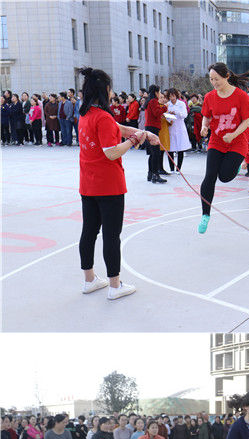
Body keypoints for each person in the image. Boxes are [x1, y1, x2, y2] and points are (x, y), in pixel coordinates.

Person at [77, 67, 156, 300]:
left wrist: (143, 133)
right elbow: (111, 152)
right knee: (112, 235)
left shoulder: (87, 114)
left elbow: (118, 128)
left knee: (89, 231)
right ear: (105, 89)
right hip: (108, 185)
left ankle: (89, 280)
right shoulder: (103, 116)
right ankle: (114, 285)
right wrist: (133, 140)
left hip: (88, 184)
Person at [198, 62, 249, 233]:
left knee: (225, 176)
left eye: (217, 79)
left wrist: (233, 134)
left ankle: (234, 166)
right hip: (216, 140)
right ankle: (205, 214)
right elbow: (206, 117)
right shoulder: (209, 97)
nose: (214, 83)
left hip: (237, 142)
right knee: (210, 176)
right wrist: (204, 127)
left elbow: (246, 121)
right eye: (211, 79)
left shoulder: (240, 96)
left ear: (226, 76)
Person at [144, 85, 168, 183]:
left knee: (152, 153)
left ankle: (150, 174)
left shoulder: (148, 101)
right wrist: (165, 108)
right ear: (156, 92)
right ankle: (155, 174)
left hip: (149, 127)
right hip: (153, 128)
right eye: (159, 92)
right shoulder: (154, 101)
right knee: (156, 152)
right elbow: (157, 112)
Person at [166, 88, 191, 174]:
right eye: (170, 96)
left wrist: (176, 112)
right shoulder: (167, 104)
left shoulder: (181, 104)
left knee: (180, 148)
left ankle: (178, 168)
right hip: (171, 127)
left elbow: (185, 115)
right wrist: (169, 116)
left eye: (173, 96)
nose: (172, 98)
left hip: (180, 127)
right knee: (170, 149)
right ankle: (171, 168)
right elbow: (165, 115)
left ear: (176, 95)